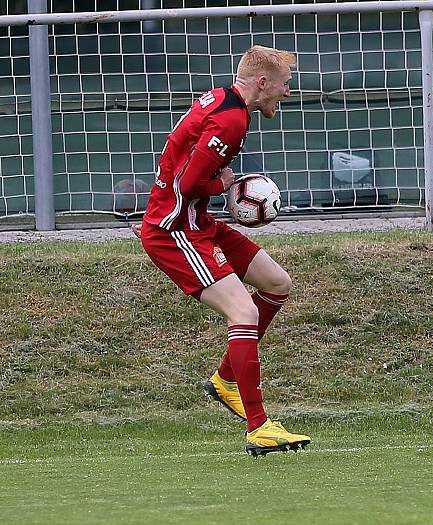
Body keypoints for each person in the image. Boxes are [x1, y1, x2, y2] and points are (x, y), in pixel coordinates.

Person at [133, 45, 310, 456]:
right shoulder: (231, 120)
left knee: (276, 283)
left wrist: (221, 183)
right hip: (173, 230)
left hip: (199, 224)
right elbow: (188, 185)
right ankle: (259, 426)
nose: (287, 93)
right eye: (285, 84)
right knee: (244, 312)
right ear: (263, 83)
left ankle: (226, 379)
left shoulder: (223, 101)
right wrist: (227, 186)